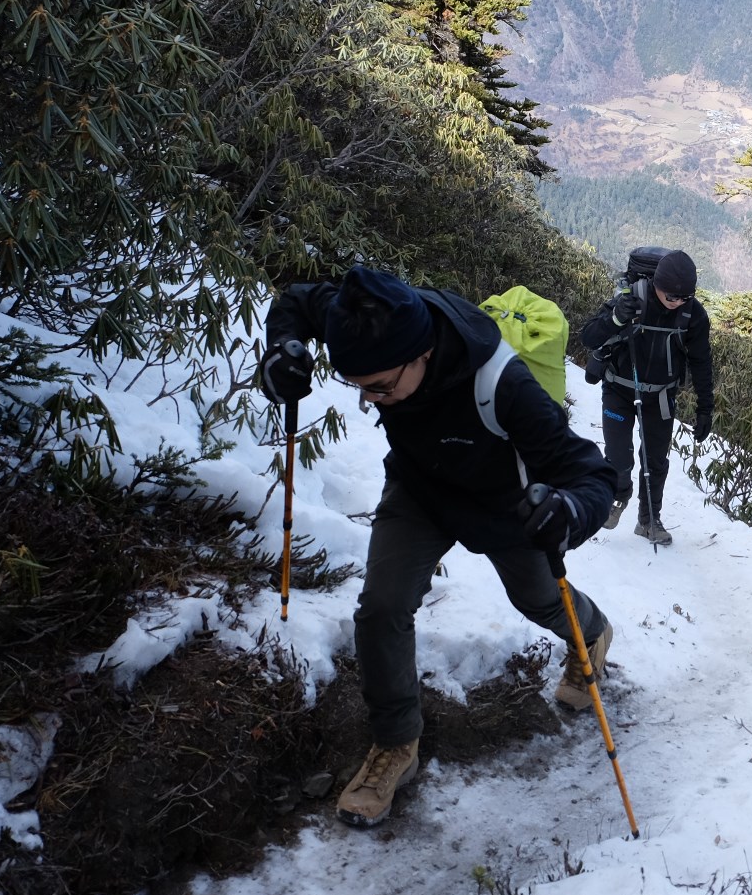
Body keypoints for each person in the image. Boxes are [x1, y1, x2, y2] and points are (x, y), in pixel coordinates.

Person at [259, 266, 622, 829]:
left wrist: (571, 511)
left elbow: (590, 474)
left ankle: (591, 632)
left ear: (423, 352)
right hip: (420, 487)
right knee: (382, 605)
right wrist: (282, 349)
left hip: (506, 505)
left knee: (536, 598)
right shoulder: (368, 320)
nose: (372, 399)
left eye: (379, 387)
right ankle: (395, 745)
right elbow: (298, 302)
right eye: (359, 387)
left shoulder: (503, 384)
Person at [579, 248, 714, 546]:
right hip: (618, 389)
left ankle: (649, 519)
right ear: (657, 285)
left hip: (661, 397)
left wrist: (706, 408)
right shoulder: (632, 299)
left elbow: (701, 361)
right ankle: (619, 494)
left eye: (683, 298)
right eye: (671, 297)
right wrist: (615, 318)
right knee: (618, 458)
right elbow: (587, 337)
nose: (676, 303)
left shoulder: (693, 314)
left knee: (654, 461)